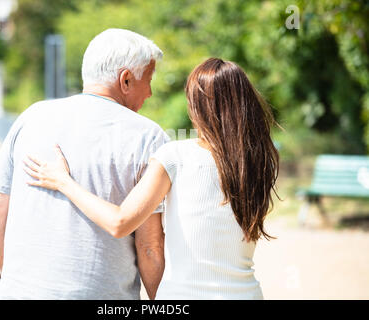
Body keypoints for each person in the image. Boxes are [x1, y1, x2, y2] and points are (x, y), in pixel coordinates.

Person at [23, 58, 280, 299]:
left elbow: (120, 222)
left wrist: (63, 182)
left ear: (198, 106)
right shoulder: (258, 162)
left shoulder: (175, 156)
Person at [0, 28, 169, 299]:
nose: (150, 93)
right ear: (125, 80)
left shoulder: (31, 117)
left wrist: (10, 279)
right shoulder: (149, 137)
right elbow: (150, 246)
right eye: (148, 80)